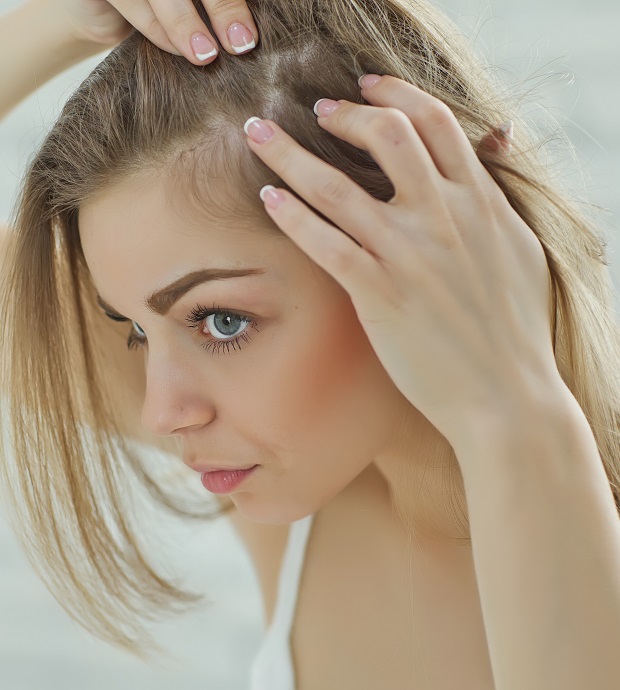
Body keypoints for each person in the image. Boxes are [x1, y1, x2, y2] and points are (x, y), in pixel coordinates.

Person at [2, 0, 620, 688]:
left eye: (221, 321)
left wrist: (513, 406)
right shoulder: (308, 492)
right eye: (135, 330)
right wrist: (62, 19)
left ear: (453, 242)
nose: (161, 410)